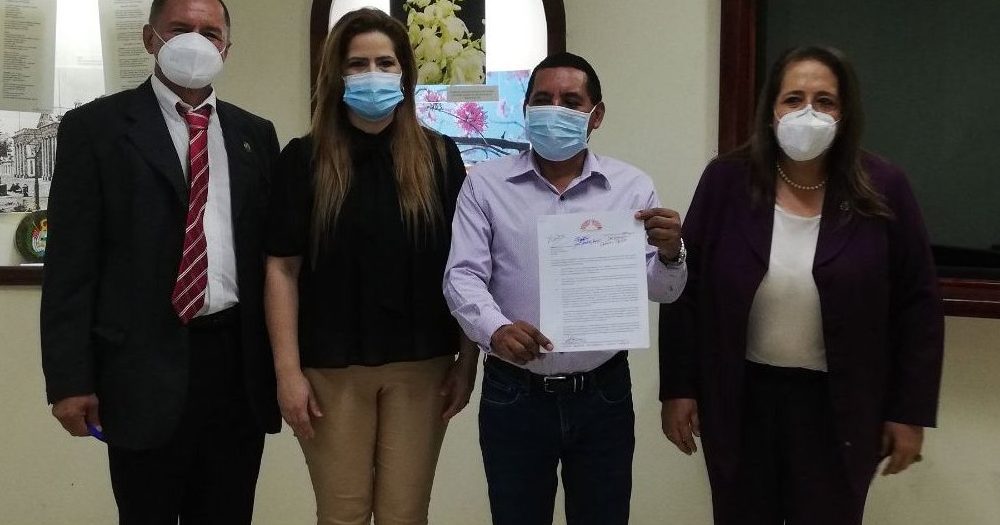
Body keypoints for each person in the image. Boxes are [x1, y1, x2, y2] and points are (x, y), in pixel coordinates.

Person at [658, 45, 945, 525]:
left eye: (824, 101)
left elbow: (918, 306)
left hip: (840, 407)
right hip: (742, 399)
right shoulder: (727, 181)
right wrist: (678, 388)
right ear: (771, 109)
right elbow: (684, 285)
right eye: (793, 99)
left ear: (845, 113)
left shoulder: (884, 187)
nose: (807, 113)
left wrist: (909, 412)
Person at [40, 0, 281, 523]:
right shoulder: (96, 129)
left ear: (226, 48)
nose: (196, 41)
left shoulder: (255, 135)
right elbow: (70, 266)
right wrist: (69, 380)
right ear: (151, 39)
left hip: (235, 368)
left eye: (210, 32)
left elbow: (272, 258)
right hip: (139, 368)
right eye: (180, 28)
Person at [443, 51, 687, 525]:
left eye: (571, 101)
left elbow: (664, 291)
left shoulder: (632, 188)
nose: (554, 110)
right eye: (542, 99)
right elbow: (462, 275)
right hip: (515, 392)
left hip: (603, 394)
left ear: (596, 115)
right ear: (525, 109)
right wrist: (495, 330)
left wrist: (672, 252)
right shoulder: (484, 186)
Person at [264, 8, 476, 525]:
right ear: (336, 75)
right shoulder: (303, 160)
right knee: (343, 514)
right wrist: (287, 372)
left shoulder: (440, 157)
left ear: (405, 72)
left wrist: (468, 360)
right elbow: (281, 270)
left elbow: (468, 266)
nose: (372, 74)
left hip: (423, 365)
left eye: (385, 63)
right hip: (330, 369)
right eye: (357, 64)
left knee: (406, 514)